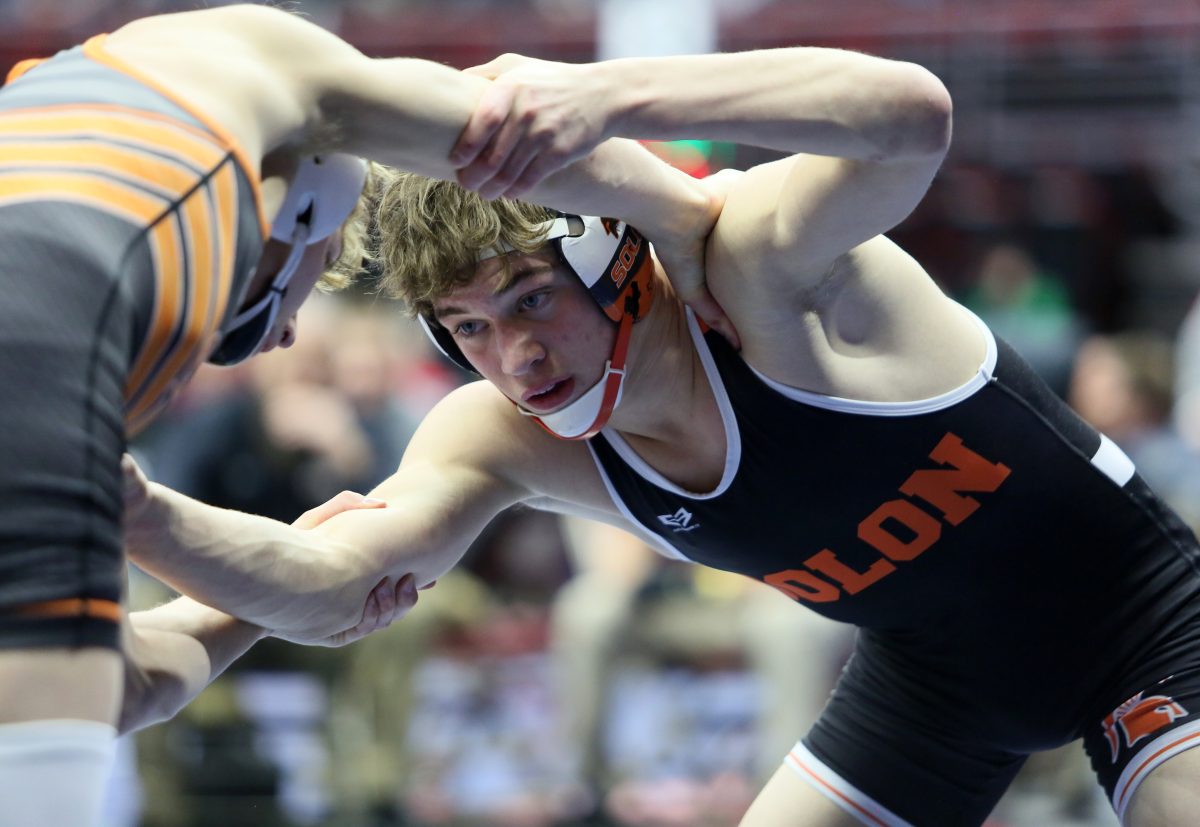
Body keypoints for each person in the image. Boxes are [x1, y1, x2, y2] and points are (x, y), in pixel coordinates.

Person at [121, 46, 1200, 827]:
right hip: (934, 687)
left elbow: (910, 113)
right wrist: (133, 508)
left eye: (533, 302)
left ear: (613, 257)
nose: (516, 361)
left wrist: (610, 93)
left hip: (1143, 620)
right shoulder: (501, 436)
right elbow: (334, 584)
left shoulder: (757, 272)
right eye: (469, 330)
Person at [0, 4, 517, 824]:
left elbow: (123, 685)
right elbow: (502, 125)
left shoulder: (87, 194)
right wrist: (679, 214)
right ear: (303, 208)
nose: (282, 334)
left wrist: (258, 587)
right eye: (313, 284)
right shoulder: (123, 289)